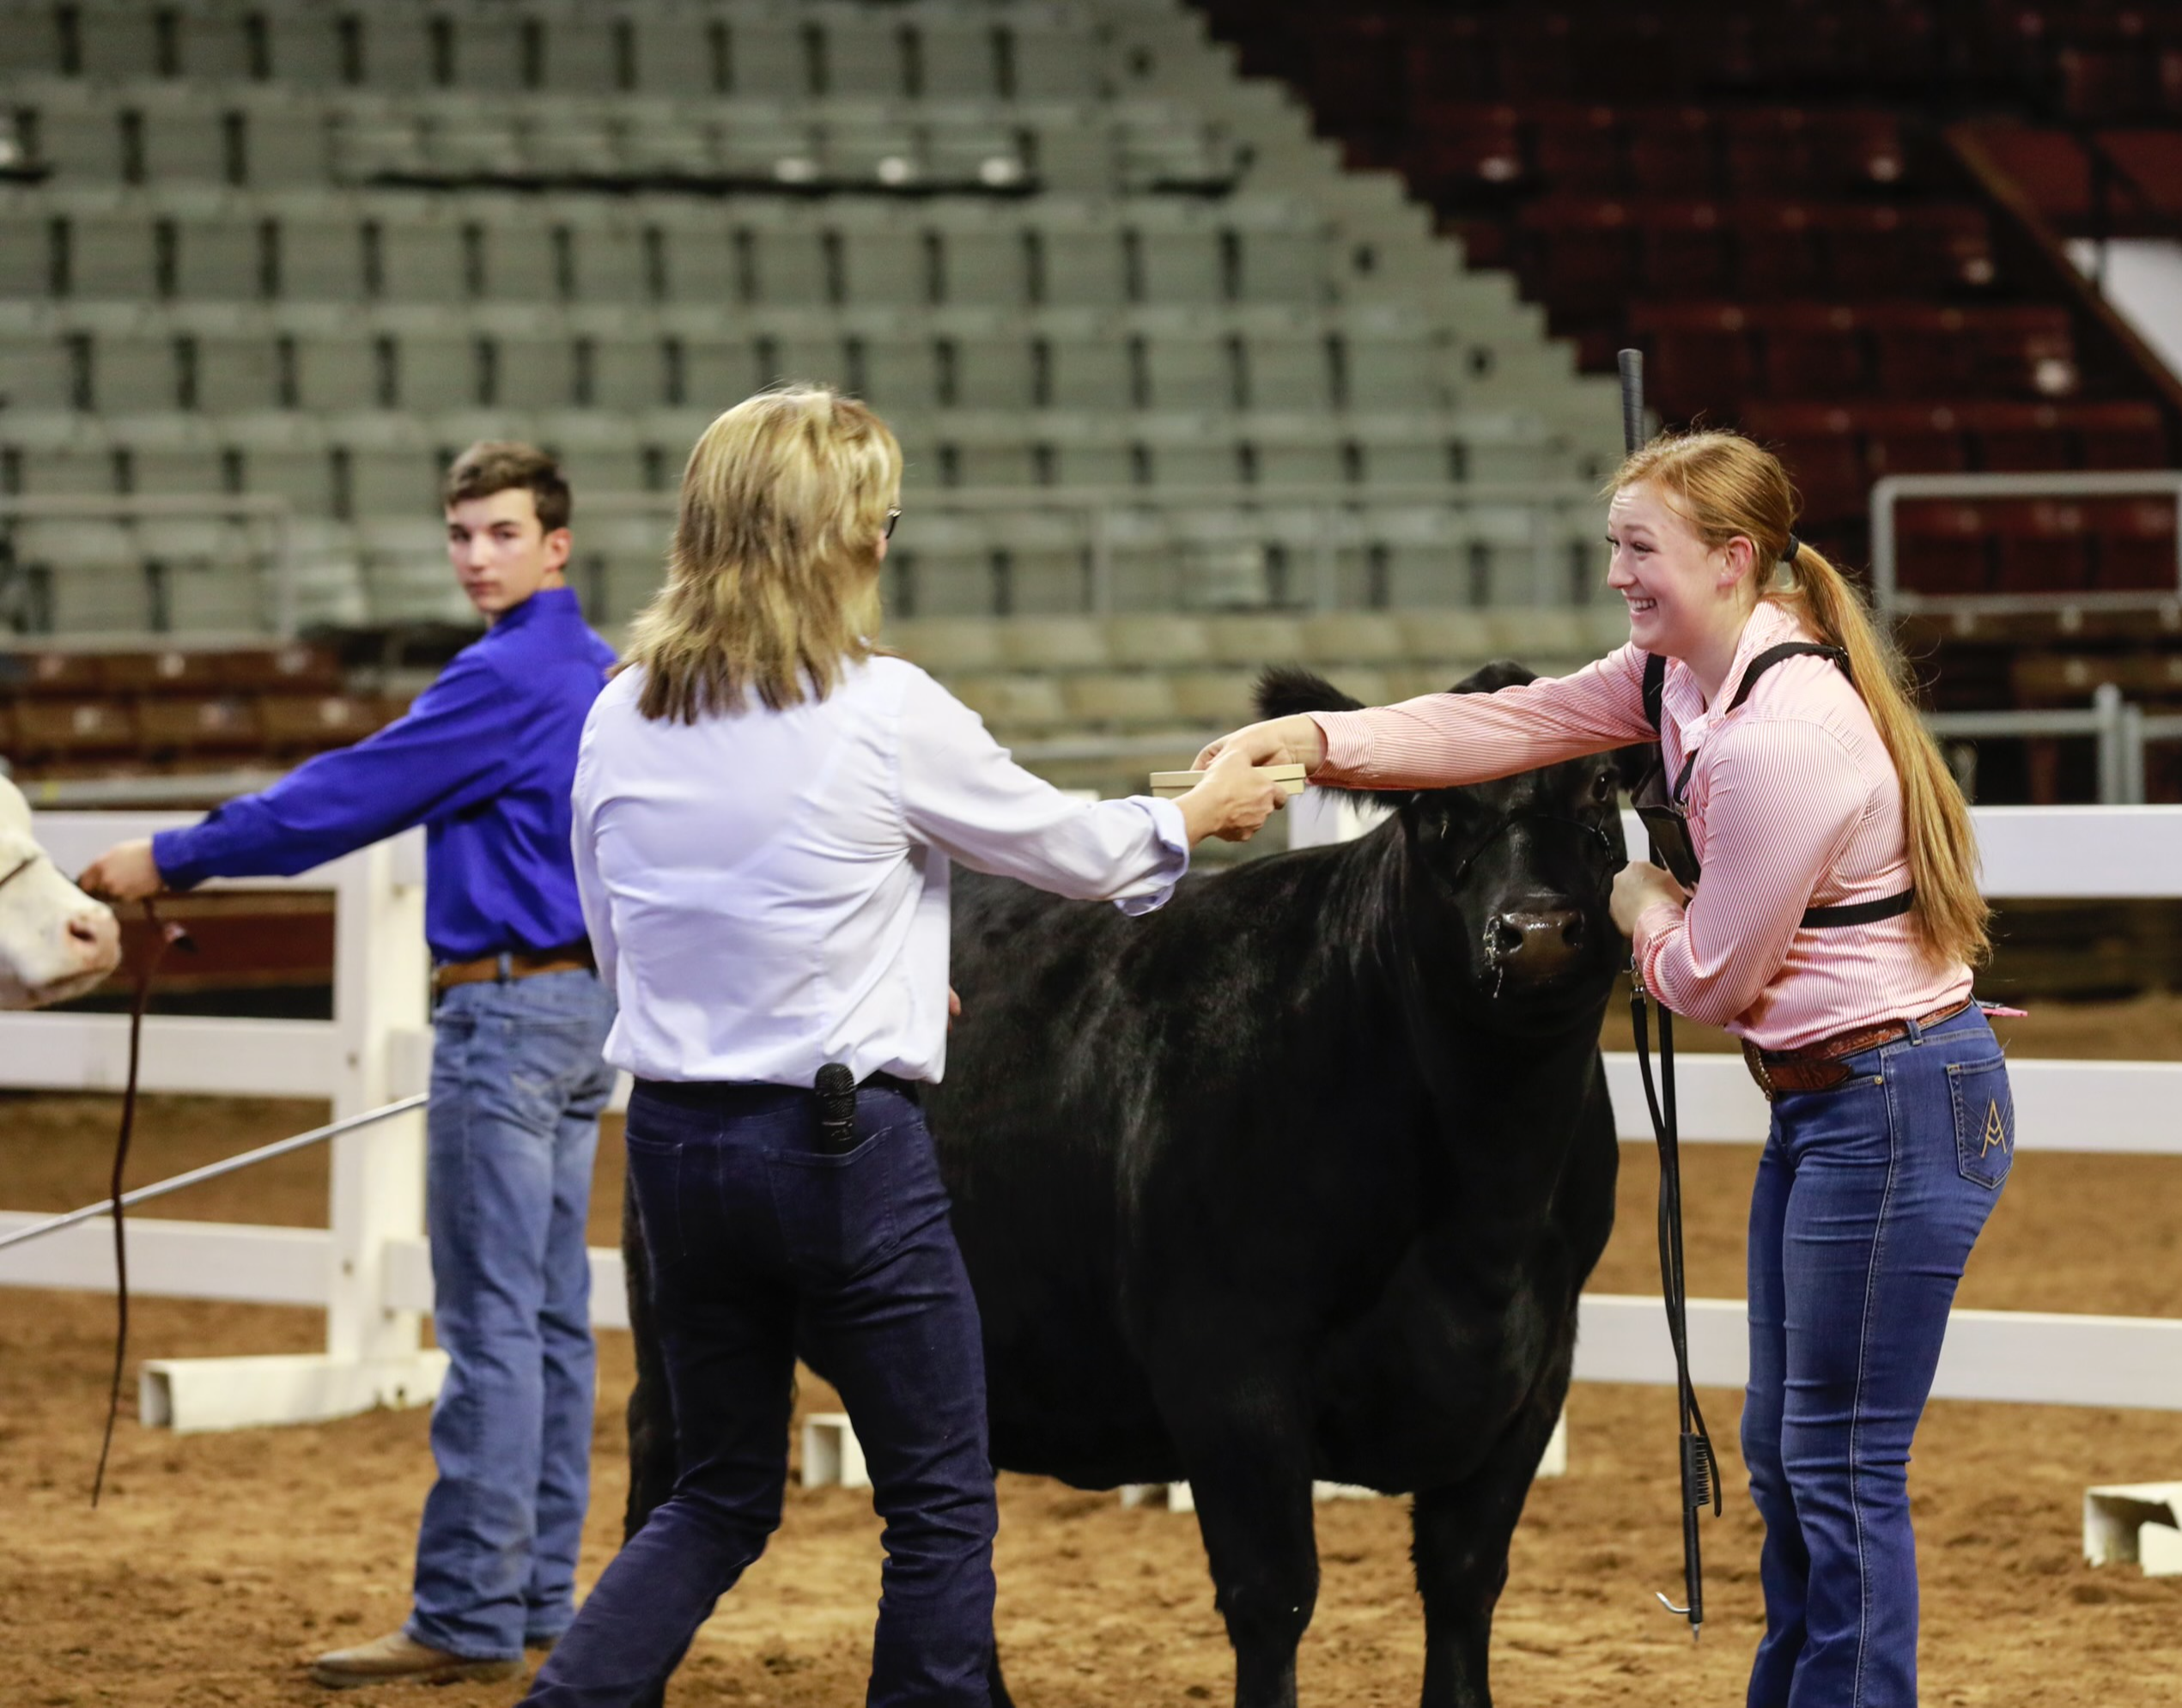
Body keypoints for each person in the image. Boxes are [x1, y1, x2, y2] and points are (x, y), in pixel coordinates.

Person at [1200, 429, 2011, 1708]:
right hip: (1839, 1109)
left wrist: (1638, 900)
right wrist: (1309, 740)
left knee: (1837, 1466)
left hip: (1894, 1106)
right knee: (1789, 1457)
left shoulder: (1776, 740)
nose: (1619, 575)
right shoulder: (1678, 681)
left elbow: (1708, 981)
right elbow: (1509, 724)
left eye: (1642, 549)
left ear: (1734, 559)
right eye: (1614, 547)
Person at [527, 386, 1285, 1707]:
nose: (888, 540)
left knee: (713, 1497)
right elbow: (1067, 849)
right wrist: (1193, 810)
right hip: (837, 1153)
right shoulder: (882, 707)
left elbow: (624, 937)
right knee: (938, 1503)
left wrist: (861, 986)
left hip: (675, 1145)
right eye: (880, 518)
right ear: (842, 540)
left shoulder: (618, 710)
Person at [82, 442, 621, 1691]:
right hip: (579, 1011)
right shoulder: (594, 671)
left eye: (499, 534)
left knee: (493, 1326)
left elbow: (345, 795)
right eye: (461, 534)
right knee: (545, 1323)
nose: (476, 556)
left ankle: (467, 1614)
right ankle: (535, 1597)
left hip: (503, 1014)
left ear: (555, 547)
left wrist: (175, 854)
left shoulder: (502, 678)